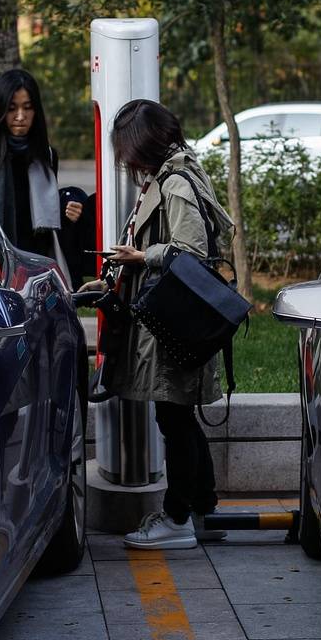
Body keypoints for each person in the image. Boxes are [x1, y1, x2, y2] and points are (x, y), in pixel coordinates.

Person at [84, 100, 233, 550]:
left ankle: (176, 518)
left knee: (174, 419)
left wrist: (140, 256)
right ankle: (203, 510)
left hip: (172, 324)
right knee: (178, 416)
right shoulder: (172, 174)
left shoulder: (175, 183)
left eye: (126, 148)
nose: (124, 160)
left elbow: (190, 252)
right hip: (172, 322)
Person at [0, 69, 84, 275]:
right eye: (12, 108)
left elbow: (45, 218)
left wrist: (66, 207)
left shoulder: (46, 157)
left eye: (27, 107)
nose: (20, 116)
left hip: (35, 266)